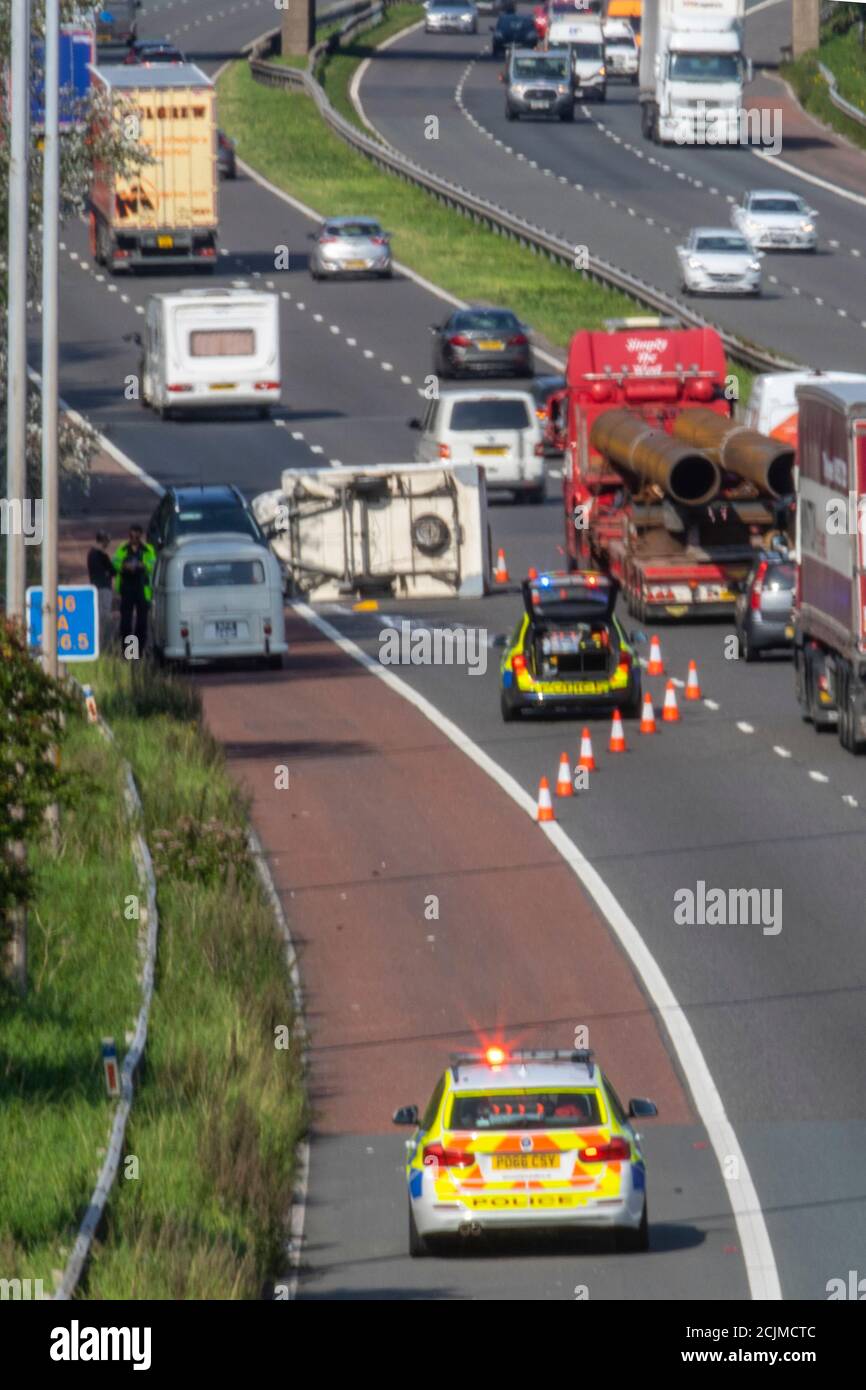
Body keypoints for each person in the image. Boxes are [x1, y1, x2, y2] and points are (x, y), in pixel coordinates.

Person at [113, 524, 156, 654]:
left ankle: (139, 650)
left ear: (140, 536)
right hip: (127, 588)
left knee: (141, 623)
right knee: (126, 623)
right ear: (129, 536)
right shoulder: (122, 548)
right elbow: (115, 563)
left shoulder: (148, 549)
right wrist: (124, 566)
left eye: (136, 537)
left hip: (142, 589)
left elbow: (153, 564)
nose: (134, 539)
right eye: (132, 536)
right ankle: (129, 651)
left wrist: (142, 566)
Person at [87, 530, 115, 648]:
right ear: (103, 541)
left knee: (97, 614)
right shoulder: (102, 556)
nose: (107, 544)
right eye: (107, 541)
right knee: (105, 615)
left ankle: (98, 640)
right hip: (104, 588)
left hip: (94, 587)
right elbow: (113, 571)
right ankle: (105, 641)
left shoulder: (90, 554)